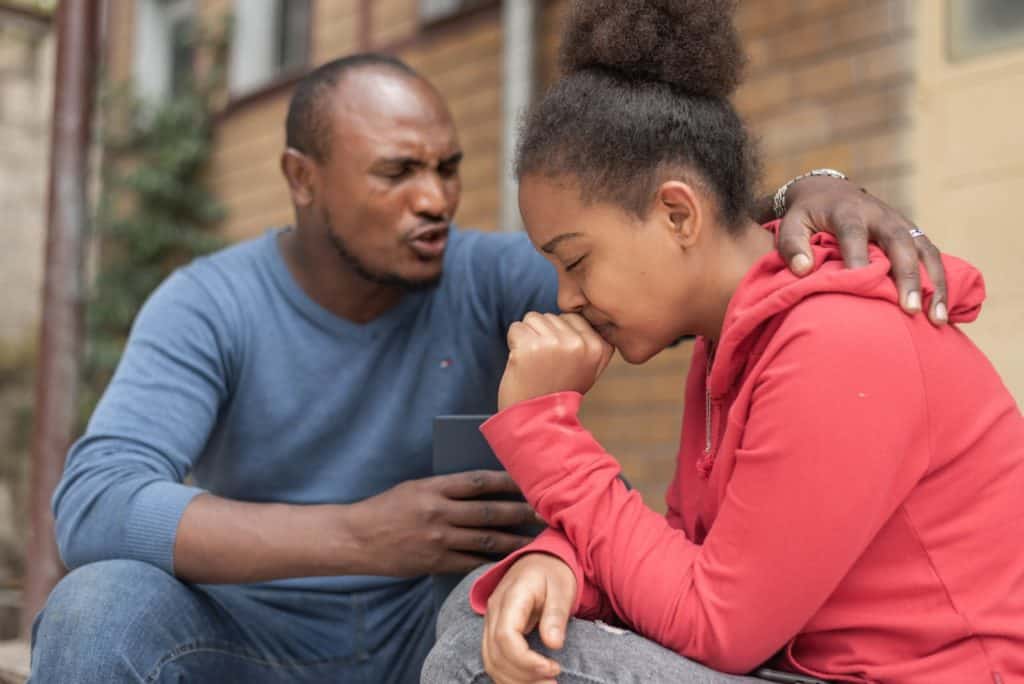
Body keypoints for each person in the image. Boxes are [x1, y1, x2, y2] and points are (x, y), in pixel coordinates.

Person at [29, 47, 951, 683]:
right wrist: (362, 536)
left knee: (490, 621)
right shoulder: (211, 303)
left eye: (449, 167)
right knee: (97, 606)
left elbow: (670, 250)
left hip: (440, 636)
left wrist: (804, 194)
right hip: (251, 642)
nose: (434, 199)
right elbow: (97, 502)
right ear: (302, 178)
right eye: (397, 173)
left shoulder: (496, 278)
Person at [422, 2, 1024, 683]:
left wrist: (543, 429)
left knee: (479, 655)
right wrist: (558, 564)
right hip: (803, 665)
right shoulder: (731, 345)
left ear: (678, 213)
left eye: (577, 260)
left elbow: (717, 626)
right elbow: (690, 559)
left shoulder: (838, 342)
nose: (565, 298)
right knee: (492, 607)